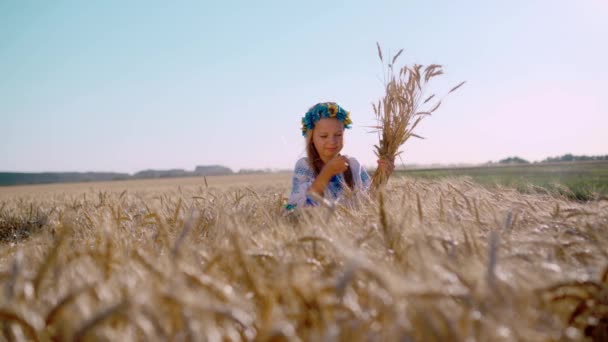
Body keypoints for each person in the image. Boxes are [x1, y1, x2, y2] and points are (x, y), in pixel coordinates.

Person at [286, 102, 394, 209]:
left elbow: (368, 201)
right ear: (312, 139)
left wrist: (383, 177)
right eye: (324, 136)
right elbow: (297, 210)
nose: (332, 141)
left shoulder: (353, 165)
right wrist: (327, 172)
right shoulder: (305, 166)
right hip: (321, 226)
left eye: (338, 134)